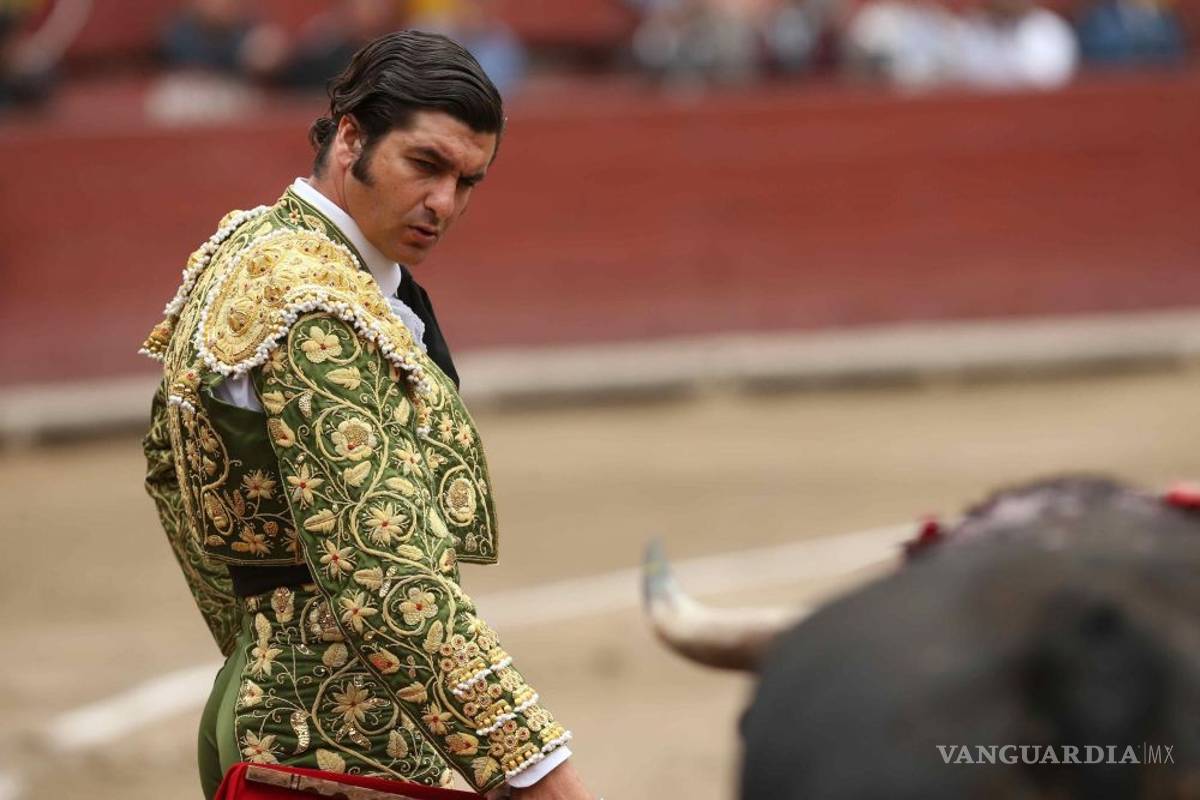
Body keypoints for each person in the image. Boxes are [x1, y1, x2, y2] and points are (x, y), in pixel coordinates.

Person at [140, 30, 593, 800]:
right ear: (351, 136)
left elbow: (170, 476)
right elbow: (386, 571)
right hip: (332, 742)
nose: (444, 203)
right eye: (425, 164)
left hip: (282, 711)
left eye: (468, 181)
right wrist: (540, 773)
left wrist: (260, 641)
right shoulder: (321, 306)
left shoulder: (253, 248)